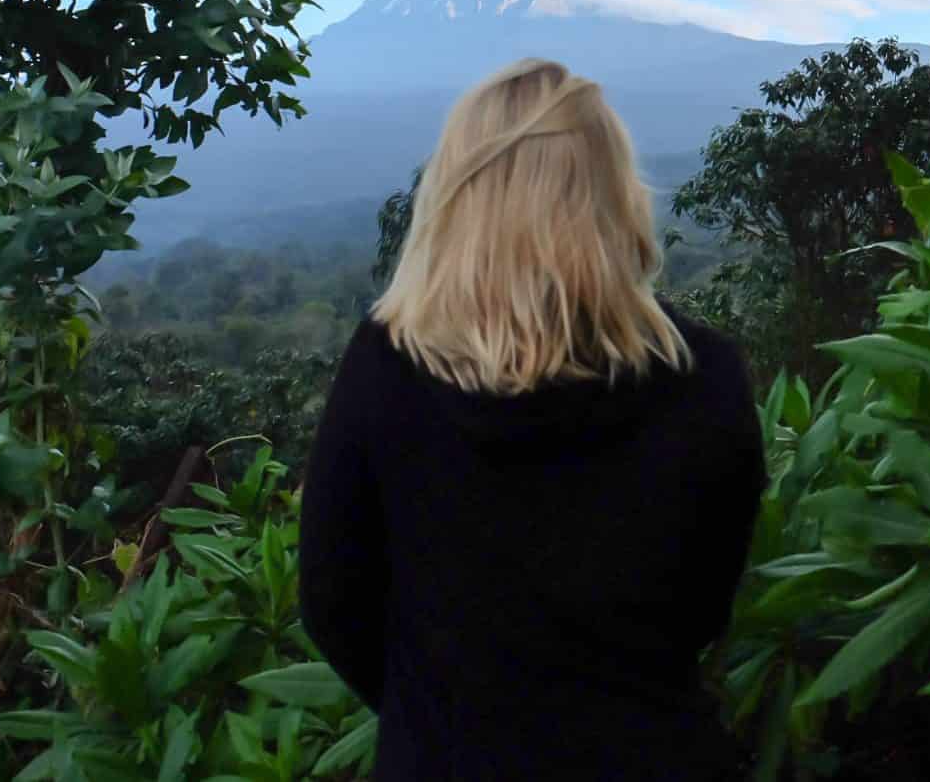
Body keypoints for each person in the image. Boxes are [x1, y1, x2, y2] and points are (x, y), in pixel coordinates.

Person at [299, 57, 768, 782]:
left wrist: (444, 709)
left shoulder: (387, 367)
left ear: (457, 196)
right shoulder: (703, 377)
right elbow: (703, 607)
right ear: (616, 195)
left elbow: (333, 602)